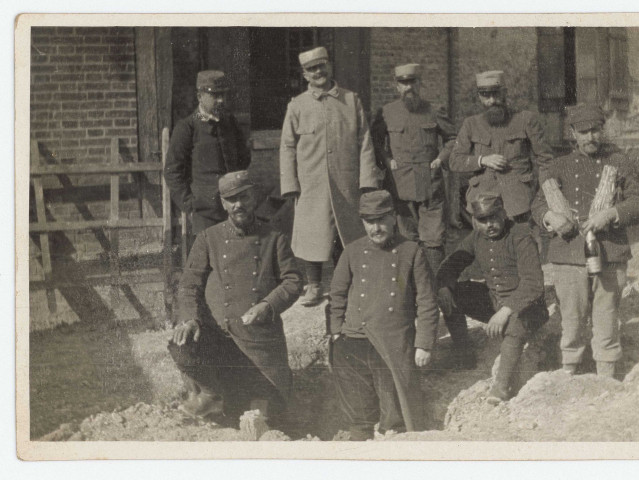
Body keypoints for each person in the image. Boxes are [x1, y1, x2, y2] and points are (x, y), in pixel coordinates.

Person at [167, 171, 302, 421]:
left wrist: (267, 305)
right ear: (222, 203)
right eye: (231, 199)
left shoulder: (275, 237)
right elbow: (188, 284)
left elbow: (293, 280)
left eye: (244, 197)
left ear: (254, 197)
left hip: (258, 342)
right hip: (219, 337)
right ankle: (210, 394)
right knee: (181, 345)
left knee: (266, 411)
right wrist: (190, 319)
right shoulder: (209, 238)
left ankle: (241, 401)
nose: (238, 204)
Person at [531, 104, 639, 378]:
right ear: (572, 133)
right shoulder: (559, 165)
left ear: (602, 130)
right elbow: (537, 203)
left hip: (609, 252)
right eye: (583, 132)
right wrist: (550, 216)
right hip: (569, 255)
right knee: (571, 319)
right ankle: (569, 371)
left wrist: (611, 213)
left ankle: (606, 374)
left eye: (595, 130)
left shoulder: (619, 162)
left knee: (606, 317)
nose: (590, 137)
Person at [328, 190, 440, 440]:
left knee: (396, 417)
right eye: (369, 221)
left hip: (391, 341)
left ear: (392, 218)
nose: (375, 228)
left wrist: (423, 344)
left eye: (381, 219)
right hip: (353, 340)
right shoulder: (352, 251)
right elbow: (337, 294)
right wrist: (336, 331)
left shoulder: (411, 252)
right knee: (358, 415)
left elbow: (426, 300)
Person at [280, 46, 380, 307]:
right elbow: (287, 146)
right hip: (311, 185)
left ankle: (346, 285)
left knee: (346, 237)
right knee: (313, 236)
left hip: (346, 183)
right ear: (304, 75)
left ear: (330, 66)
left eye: (322, 65)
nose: (318, 72)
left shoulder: (350, 100)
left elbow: (364, 140)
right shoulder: (297, 106)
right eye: (312, 69)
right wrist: (290, 184)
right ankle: (313, 286)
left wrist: (367, 180)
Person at [436, 195, 548, 399]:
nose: (489, 225)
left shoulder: (520, 235)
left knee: (514, 325)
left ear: (504, 214)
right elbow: (452, 264)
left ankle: (501, 387)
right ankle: (465, 355)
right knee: (450, 294)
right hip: (496, 302)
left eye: (494, 218)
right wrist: (444, 285)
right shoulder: (476, 237)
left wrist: (505, 312)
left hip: (528, 307)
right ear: (474, 221)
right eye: (482, 220)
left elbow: (533, 284)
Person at [371, 63, 456, 274]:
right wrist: (387, 160)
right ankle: (410, 285)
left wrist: (440, 159)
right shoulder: (387, 113)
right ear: (396, 86)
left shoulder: (434, 111)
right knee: (405, 237)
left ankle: (437, 285)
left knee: (434, 238)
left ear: (420, 83)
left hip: (430, 183)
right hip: (400, 184)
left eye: (412, 82)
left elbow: (453, 138)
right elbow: (375, 141)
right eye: (403, 82)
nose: (408, 87)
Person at [449, 70, 553, 224]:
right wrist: (482, 160)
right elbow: (454, 161)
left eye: (496, 94)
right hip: (482, 201)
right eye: (486, 95)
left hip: (519, 202)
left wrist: (543, 195)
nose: (492, 100)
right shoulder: (471, 124)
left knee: (521, 243)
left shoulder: (525, 120)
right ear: (479, 96)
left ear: (505, 92)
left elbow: (546, 160)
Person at [164, 70, 251, 235]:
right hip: (205, 212)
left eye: (223, 95)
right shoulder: (187, 127)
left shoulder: (230, 122)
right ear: (200, 96)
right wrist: (190, 204)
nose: (221, 100)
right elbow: (172, 171)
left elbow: (244, 157)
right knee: (208, 256)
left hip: (233, 207)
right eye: (215, 95)